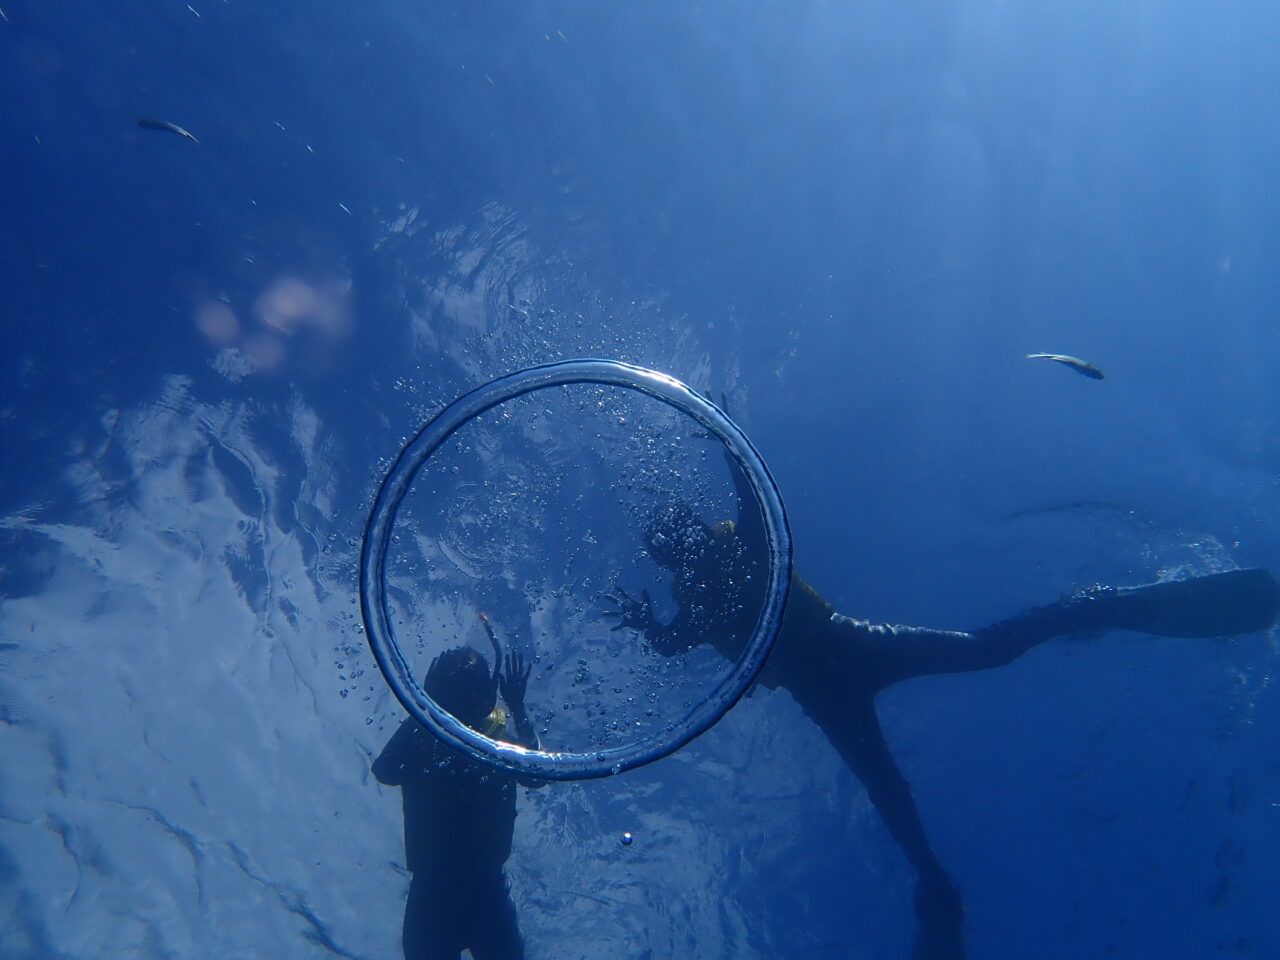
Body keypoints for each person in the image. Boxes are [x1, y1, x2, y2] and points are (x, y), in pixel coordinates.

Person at [604, 464, 1280, 960]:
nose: (681, 547)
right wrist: (643, 626)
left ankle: (1089, 608)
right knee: (888, 787)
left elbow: (755, 501)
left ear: (689, 527)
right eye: (669, 547)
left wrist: (729, 449)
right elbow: (671, 641)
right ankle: (935, 882)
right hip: (825, 689)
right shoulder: (693, 602)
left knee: (984, 653)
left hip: (849, 643)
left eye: (678, 533)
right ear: (668, 557)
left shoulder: (732, 542)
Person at [373, 619, 543, 960]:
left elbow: (536, 774)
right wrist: (424, 713)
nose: (463, 705)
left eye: (471, 692)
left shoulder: (496, 743)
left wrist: (519, 710)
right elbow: (384, 771)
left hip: (474, 889)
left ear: (486, 697)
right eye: (454, 693)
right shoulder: (425, 740)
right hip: (443, 890)